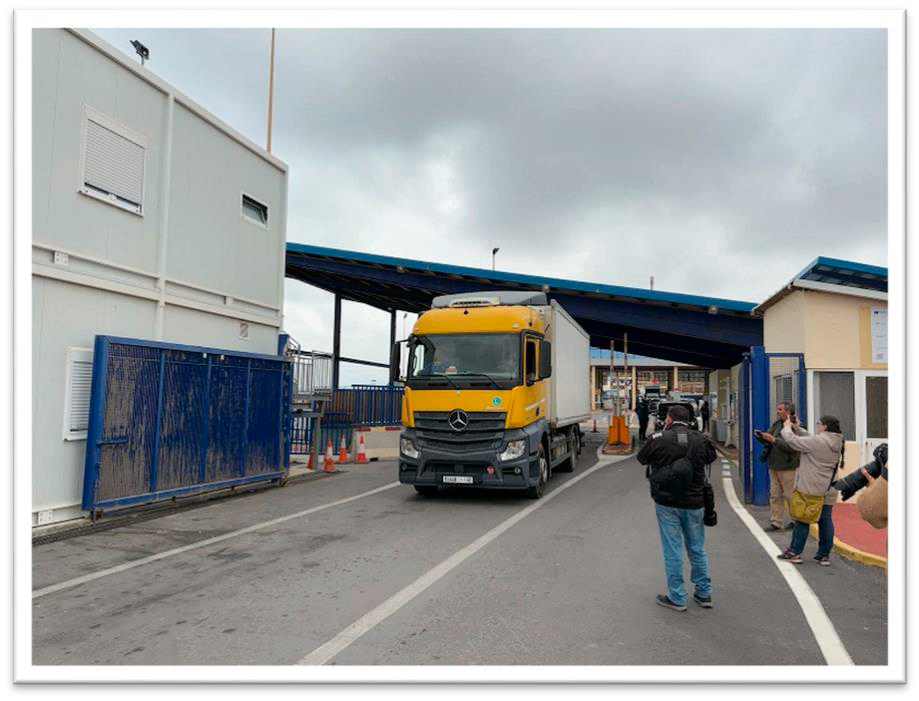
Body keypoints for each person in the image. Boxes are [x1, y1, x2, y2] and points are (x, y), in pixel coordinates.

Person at [638, 404, 717, 611]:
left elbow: (642, 458)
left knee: (673, 550)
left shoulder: (659, 438)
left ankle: (677, 596)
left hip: (667, 502)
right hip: (695, 502)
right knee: (697, 549)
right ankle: (704, 593)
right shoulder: (700, 440)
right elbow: (711, 458)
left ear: (669, 419)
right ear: (690, 420)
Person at [775, 415, 844, 566]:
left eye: (819, 424)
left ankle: (794, 552)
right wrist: (798, 428)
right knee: (825, 519)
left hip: (811, 487)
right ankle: (823, 555)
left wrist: (787, 427)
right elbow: (812, 439)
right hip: (829, 487)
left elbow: (793, 441)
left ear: (825, 426)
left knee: (802, 519)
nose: (817, 426)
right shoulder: (837, 441)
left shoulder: (818, 442)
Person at [754, 402, 801, 532]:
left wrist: (774, 440)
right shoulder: (777, 424)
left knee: (790, 495)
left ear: (788, 412)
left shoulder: (795, 427)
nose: (777, 411)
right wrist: (762, 437)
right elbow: (770, 437)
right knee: (775, 495)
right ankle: (776, 521)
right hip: (774, 464)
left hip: (788, 466)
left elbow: (793, 446)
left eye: (780, 409)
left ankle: (795, 520)